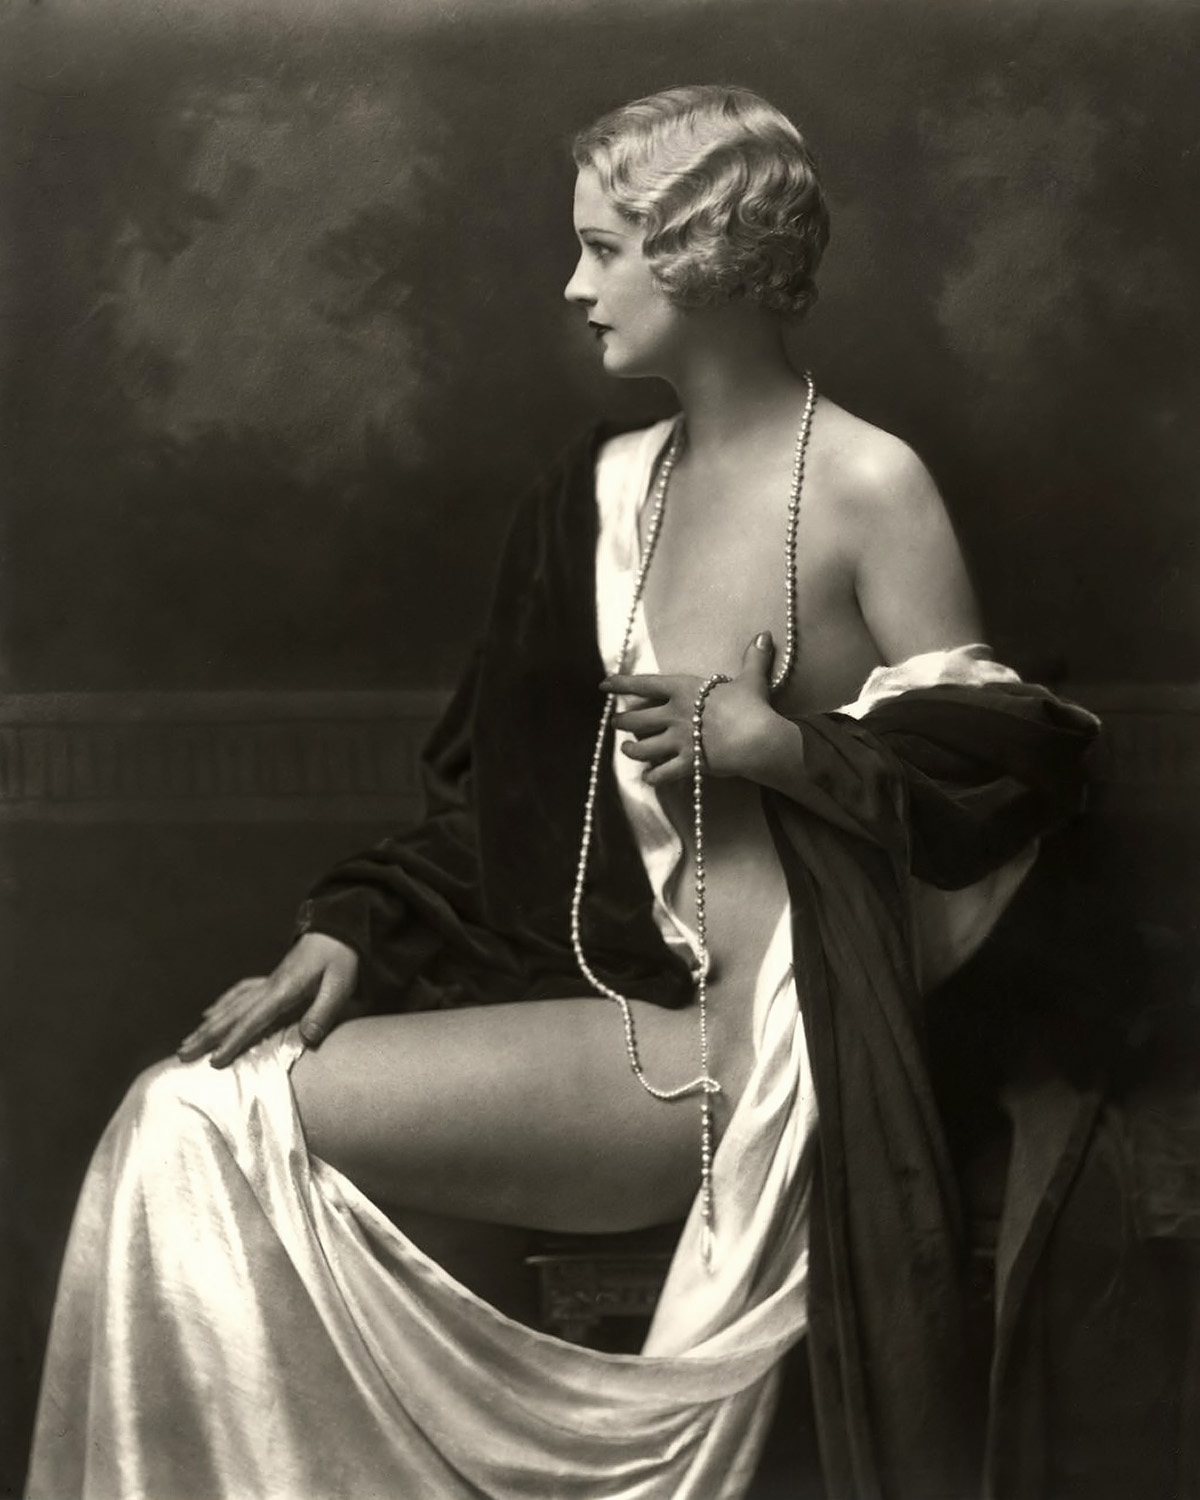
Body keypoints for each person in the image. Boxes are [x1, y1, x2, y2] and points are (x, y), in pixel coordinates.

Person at [27, 86, 1109, 1500]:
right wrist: (355, 929)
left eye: (603, 249)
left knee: (186, 1120)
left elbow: (1005, 773)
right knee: (188, 1115)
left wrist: (779, 748)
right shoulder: (595, 498)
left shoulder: (866, 483)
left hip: (778, 1068)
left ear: (704, 255)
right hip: (635, 1027)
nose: (572, 285)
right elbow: (505, 809)